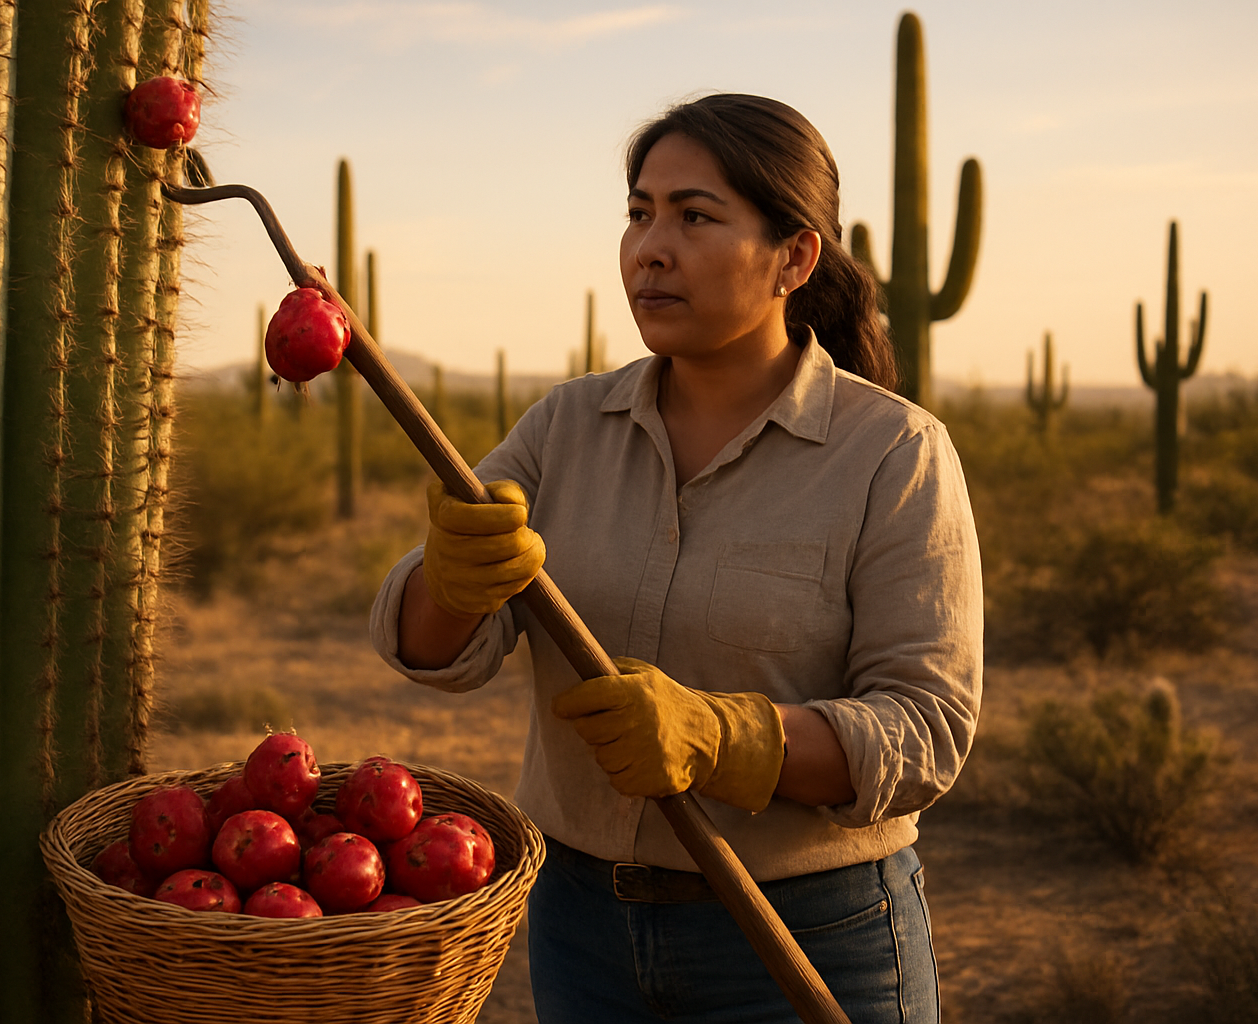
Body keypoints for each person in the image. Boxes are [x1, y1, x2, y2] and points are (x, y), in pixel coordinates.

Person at [369, 93, 983, 1024]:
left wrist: (727, 738)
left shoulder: (894, 452)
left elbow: (926, 729)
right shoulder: (565, 427)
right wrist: (450, 580)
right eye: (639, 213)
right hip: (582, 929)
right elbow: (430, 646)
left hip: (808, 934)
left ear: (795, 257)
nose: (650, 247)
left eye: (695, 216)